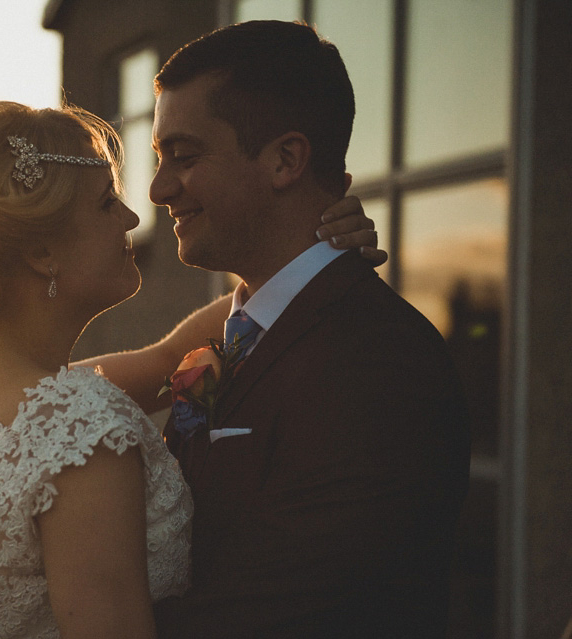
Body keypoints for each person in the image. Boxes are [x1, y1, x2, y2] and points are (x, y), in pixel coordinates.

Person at [0, 99, 381, 638]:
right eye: (105, 203)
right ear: (43, 250)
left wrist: (299, 258)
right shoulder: (79, 429)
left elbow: (165, 361)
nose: (132, 218)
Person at [99, 20, 469, 638]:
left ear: (285, 160)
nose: (158, 189)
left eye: (183, 157)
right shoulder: (248, 329)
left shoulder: (377, 366)